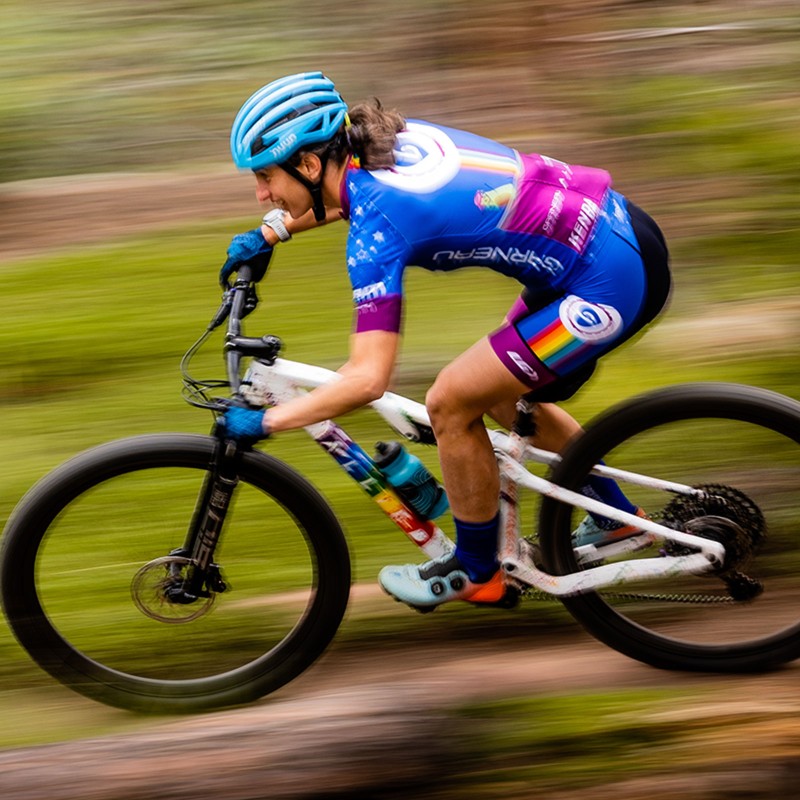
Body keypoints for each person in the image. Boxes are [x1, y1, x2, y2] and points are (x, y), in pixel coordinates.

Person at [219, 71, 671, 609]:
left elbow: (368, 379)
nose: (262, 193)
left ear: (311, 164)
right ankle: (617, 521)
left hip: (607, 282)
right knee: (497, 390)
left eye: (267, 176)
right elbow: (355, 199)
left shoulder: (376, 231)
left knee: (450, 402)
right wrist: (275, 230)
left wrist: (268, 421)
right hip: (614, 233)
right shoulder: (376, 144)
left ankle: (479, 572)